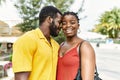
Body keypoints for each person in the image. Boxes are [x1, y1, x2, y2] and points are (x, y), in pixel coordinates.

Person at [12, 6, 62, 80]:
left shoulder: (56, 45)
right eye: (59, 22)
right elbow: (21, 78)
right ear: (49, 19)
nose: (61, 26)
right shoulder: (27, 40)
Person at [56, 12, 96, 80]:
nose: (68, 25)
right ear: (62, 26)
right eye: (64, 23)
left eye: (72, 22)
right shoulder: (61, 45)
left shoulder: (84, 46)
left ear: (78, 26)